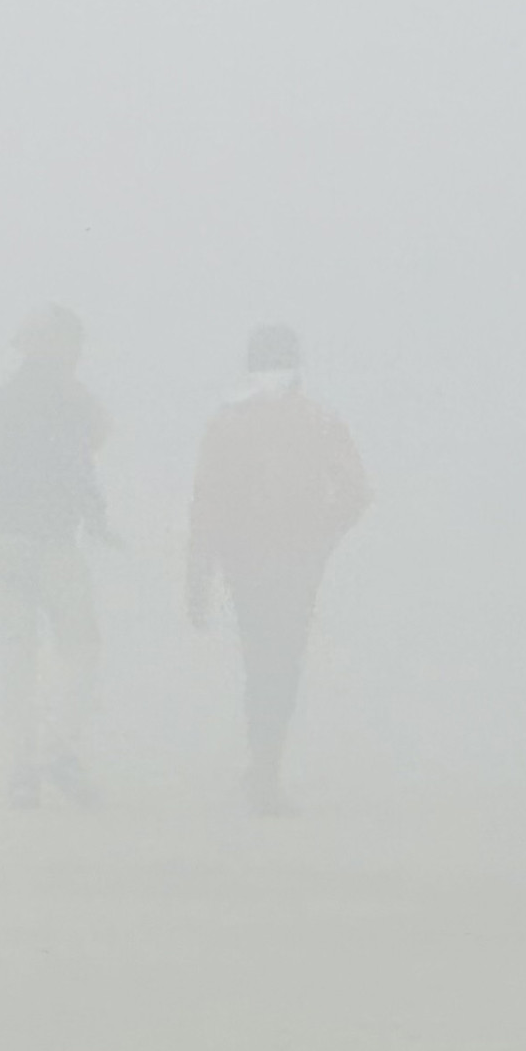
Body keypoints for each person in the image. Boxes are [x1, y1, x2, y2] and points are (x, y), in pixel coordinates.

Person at [187, 325, 371, 814]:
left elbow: (208, 503)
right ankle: (266, 768)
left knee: (261, 661)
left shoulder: (228, 424)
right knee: (283, 664)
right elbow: (356, 491)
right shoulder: (319, 421)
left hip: (246, 563)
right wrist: (322, 533)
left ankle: (262, 766)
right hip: (296, 564)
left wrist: (198, 573)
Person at [0, 305, 110, 809]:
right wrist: (90, 514)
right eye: (72, 344)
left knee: (17, 656)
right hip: (52, 542)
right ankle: (59, 751)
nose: (77, 354)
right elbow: (83, 460)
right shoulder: (72, 400)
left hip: (4, 541)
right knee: (80, 647)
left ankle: (22, 768)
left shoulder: (3, 400)